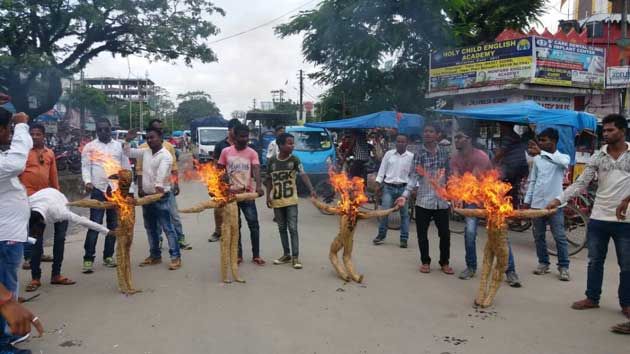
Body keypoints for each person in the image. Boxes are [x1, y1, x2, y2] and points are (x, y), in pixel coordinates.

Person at [547, 114, 630, 319]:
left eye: (611, 130)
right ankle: (592, 298)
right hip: (599, 217)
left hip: (626, 220)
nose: (606, 133)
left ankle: (627, 304)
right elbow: (581, 183)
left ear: (622, 131)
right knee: (594, 261)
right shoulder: (597, 156)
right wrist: (559, 199)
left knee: (627, 265)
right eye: (605, 130)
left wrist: (627, 199)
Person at [449, 130, 521, 282]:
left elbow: (473, 180)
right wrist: (455, 196)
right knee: (469, 232)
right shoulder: (455, 158)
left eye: (459, 137)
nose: (456, 140)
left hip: (491, 199)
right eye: (455, 137)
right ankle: (471, 267)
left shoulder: (480, 156)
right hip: (472, 200)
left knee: (501, 236)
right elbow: (455, 178)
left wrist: (461, 193)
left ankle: (510, 271)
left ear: (468, 139)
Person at [0, 107, 43, 354]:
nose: (9, 135)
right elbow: (17, 162)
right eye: (7, 129)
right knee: (6, 291)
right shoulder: (7, 160)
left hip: (10, 236)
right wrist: (22, 125)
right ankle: (4, 344)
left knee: (7, 289)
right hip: (5, 239)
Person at [25, 188, 118, 292]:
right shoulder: (26, 207)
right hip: (41, 199)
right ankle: (35, 278)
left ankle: (56, 275)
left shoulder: (61, 212)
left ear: (42, 222)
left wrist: (107, 231)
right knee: (34, 244)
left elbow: (85, 222)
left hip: (58, 201)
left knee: (59, 240)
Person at [396, 123, 453, 275]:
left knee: (445, 234)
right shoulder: (419, 154)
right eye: (425, 131)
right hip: (423, 201)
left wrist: (453, 196)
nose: (427, 134)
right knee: (422, 234)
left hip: (441, 201)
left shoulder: (444, 153)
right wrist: (404, 195)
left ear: (437, 135)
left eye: (431, 131)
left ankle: (445, 262)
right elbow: (413, 177)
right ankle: (425, 261)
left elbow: (449, 176)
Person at [124, 128, 181, 270]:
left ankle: (175, 257)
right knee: (150, 228)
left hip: (161, 197)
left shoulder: (166, 156)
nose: (149, 140)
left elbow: (161, 175)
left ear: (160, 138)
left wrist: (158, 186)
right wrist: (127, 141)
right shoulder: (146, 152)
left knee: (167, 228)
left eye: (152, 137)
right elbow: (128, 153)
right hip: (147, 197)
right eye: (147, 138)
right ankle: (155, 255)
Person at [80, 118, 130, 273]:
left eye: (106, 129)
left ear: (111, 129)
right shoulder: (90, 147)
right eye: (100, 129)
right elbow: (86, 167)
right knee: (95, 224)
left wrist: (128, 188)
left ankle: (108, 256)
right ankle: (88, 258)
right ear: (96, 131)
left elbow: (125, 167)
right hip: (98, 190)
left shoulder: (118, 147)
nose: (103, 132)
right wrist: (87, 181)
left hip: (115, 190)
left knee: (113, 225)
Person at [523, 128, 571, 281]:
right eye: (540, 140)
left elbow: (561, 163)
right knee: (538, 237)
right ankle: (543, 263)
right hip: (537, 204)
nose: (541, 143)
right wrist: (527, 201)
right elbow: (533, 180)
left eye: (544, 140)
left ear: (554, 141)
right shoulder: (538, 159)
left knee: (560, 237)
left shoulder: (563, 157)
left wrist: (541, 153)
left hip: (555, 205)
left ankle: (564, 267)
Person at [136, 119, 190, 250]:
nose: (159, 132)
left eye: (160, 130)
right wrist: (140, 187)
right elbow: (139, 169)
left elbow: (174, 167)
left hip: (166, 189)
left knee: (173, 216)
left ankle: (180, 238)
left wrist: (176, 184)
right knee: (154, 222)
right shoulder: (143, 149)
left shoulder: (168, 147)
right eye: (156, 129)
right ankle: (157, 243)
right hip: (149, 191)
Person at [266, 133, 316, 269]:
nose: (292, 145)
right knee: (281, 228)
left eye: (292, 143)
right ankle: (286, 254)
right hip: (277, 201)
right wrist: (267, 196)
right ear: (280, 145)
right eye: (289, 143)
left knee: (293, 228)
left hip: (291, 200)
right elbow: (269, 179)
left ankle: (295, 257)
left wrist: (311, 189)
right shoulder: (272, 161)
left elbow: (303, 174)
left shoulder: (295, 160)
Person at [218, 124, 265, 265]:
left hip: (247, 194)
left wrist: (258, 186)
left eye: (247, 136)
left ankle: (256, 255)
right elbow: (219, 169)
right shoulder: (226, 151)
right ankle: (238, 255)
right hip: (231, 196)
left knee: (254, 225)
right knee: (235, 225)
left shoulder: (252, 153)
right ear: (235, 136)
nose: (245, 139)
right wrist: (222, 185)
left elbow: (256, 168)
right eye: (242, 136)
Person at [492, 122, 527, 287]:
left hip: (506, 185)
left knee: (501, 234)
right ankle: (503, 269)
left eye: (500, 124)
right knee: (495, 236)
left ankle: (509, 270)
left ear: (503, 125)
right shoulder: (515, 138)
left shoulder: (508, 138)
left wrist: (490, 164)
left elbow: (499, 154)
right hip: (506, 183)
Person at [19, 123, 58, 270]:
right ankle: (29, 257)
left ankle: (39, 253)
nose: (35, 137)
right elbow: (17, 173)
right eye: (32, 134)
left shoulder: (50, 153)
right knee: (29, 226)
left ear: (44, 136)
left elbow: (53, 175)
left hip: (44, 196)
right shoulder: (24, 152)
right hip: (26, 195)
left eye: (38, 134)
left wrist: (56, 194)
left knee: (40, 224)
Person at [372, 134, 414, 248]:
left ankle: (404, 239)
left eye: (403, 141)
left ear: (407, 143)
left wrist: (415, 188)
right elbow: (382, 170)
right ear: (395, 143)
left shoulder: (411, 157)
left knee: (404, 215)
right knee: (384, 212)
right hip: (388, 188)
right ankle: (381, 236)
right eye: (398, 141)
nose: (400, 143)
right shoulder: (388, 154)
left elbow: (413, 175)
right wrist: (377, 183)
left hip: (404, 189)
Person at [208, 118, 241, 243]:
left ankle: (234, 232)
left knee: (235, 208)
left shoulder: (242, 144)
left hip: (238, 182)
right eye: (235, 130)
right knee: (218, 207)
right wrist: (214, 183)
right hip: (222, 181)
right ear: (229, 130)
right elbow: (215, 165)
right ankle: (218, 231)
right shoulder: (220, 145)